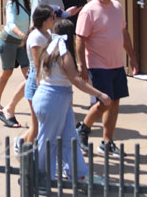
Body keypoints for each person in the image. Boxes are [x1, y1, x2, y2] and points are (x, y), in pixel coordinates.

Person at [33, 19, 111, 182]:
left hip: (56, 99)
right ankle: (40, 177)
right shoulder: (63, 53)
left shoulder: (48, 50)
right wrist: (100, 95)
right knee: (48, 141)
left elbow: (40, 78)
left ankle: (78, 174)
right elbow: (76, 79)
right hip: (54, 100)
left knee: (70, 138)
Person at [75, 0, 139, 156]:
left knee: (114, 102)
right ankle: (83, 129)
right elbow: (80, 39)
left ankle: (107, 142)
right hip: (97, 64)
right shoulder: (88, 11)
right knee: (105, 101)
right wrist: (82, 65)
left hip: (116, 64)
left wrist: (132, 57)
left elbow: (123, 33)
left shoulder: (117, 7)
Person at [12, 4, 63, 154]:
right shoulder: (36, 37)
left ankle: (21, 143)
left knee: (41, 125)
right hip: (36, 83)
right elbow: (37, 64)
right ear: (43, 20)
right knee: (36, 126)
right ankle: (26, 155)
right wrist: (42, 86)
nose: (55, 19)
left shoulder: (46, 33)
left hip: (44, 79)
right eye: (52, 17)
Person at [0, 0, 34, 128]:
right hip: (8, 42)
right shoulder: (11, 4)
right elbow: (10, 25)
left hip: (22, 43)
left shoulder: (26, 1)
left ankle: (34, 102)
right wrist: (23, 35)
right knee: (7, 72)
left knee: (29, 73)